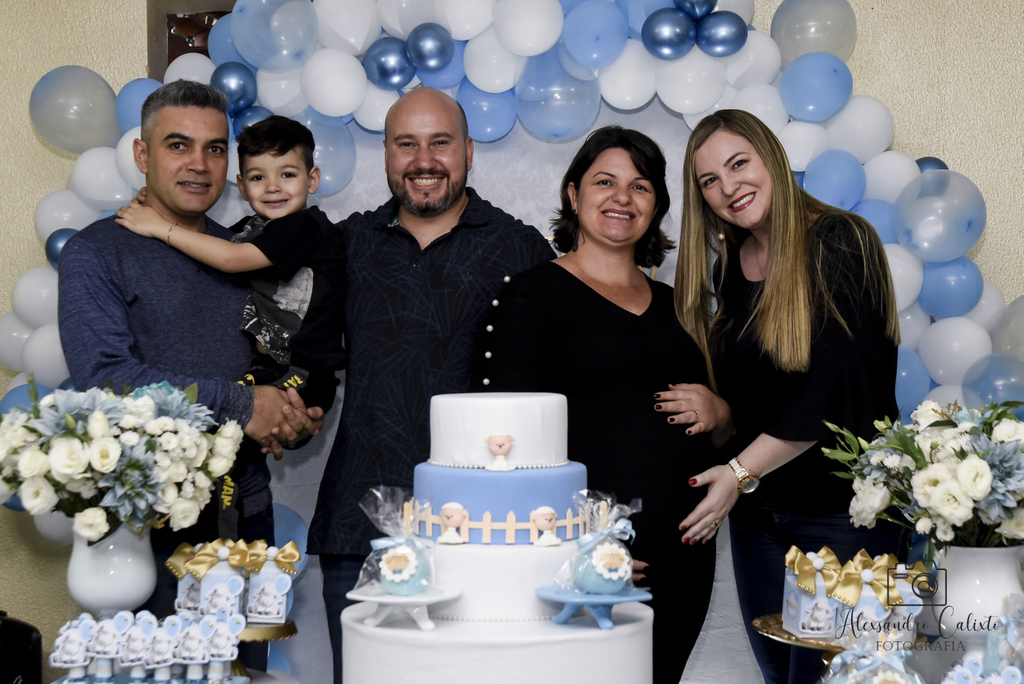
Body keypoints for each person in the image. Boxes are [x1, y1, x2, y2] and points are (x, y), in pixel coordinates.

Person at [306, 87, 554, 684]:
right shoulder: (347, 244)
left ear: (468, 151)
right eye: (406, 144)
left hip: (485, 531)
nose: (424, 160)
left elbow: (569, 370)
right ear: (386, 155)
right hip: (360, 527)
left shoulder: (520, 248)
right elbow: (300, 347)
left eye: (440, 143)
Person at [471, 126, 731, 682]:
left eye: (640, 186)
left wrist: (721, 413)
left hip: (684, 557)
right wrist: (572, 548)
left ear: (657, 206)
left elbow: (724, 433)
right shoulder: (527, 296)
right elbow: (501, 447)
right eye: (605, 182)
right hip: (581, 561)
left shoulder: (680, 307)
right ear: (573, 194)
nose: (622, 197)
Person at [58, 81, 322, 627]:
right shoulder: (96, 252)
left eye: (215, 148)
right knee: (155, 664)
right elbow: (107, 380)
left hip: (245, 512)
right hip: (144, 526)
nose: (199, 164)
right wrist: (248, 406)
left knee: (244, 661)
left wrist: (293, 416)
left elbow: (279, 357)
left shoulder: (246, 251)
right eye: (178, 145)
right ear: (142, 155)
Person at [668, 109, 904, 684]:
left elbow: (831, 390)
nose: (729, 187)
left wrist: (737, 472)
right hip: (761, 519)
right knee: (780, 678)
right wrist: (720, 415)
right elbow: (759, 397)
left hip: (845, 516)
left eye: (738, 164)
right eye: (709, 180)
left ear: (771, 157)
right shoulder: (732, 266)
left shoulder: (843, 240)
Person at [114, 115, 346, 413]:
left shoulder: (306, 226)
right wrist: (154, 206)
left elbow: (230, 258)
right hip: (269, 366)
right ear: (242, 186)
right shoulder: (254, 228)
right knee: (225, 414)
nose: (273, 187)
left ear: (312, 179)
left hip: (307, 372)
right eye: (258, 178)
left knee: (247, 416)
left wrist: (160, 226)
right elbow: (210, 245)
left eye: (287, 174)